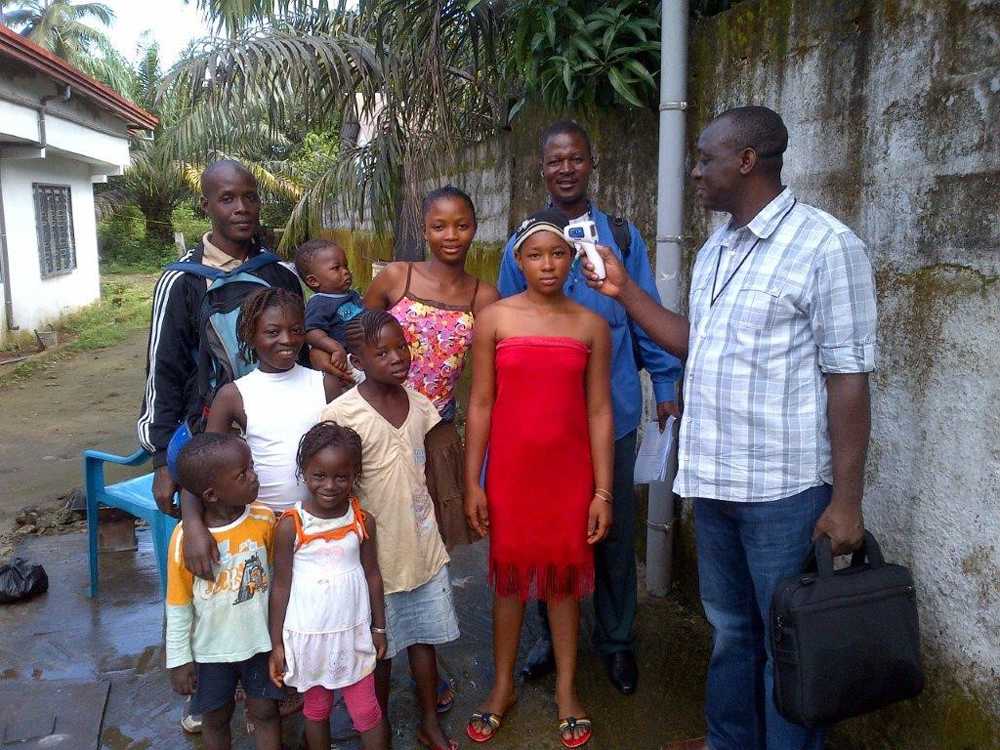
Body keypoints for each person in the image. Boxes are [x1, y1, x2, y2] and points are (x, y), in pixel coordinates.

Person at [581, 106, 877, 750]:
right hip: (713, 483)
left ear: (746, 161)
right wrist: (624, 291)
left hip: (783, 492)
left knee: (787, 643)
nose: (694, 172)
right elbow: (699, 343)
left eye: (705, 159)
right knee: (733, 634)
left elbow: (849, 378)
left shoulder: (827, 247)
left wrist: (847, 503)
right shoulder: (718, 246)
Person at [497, 120, 684, 694]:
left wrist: (666, 381)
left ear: (591, 163)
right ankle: (549, 640)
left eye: (575, 158)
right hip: (543, 421)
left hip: (614, 414)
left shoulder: (621, 237)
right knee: (545, 532)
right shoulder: (521, 243)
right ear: (542, 169)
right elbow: (508, 325)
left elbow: (643, 309)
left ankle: (617, 640)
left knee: (613, 532)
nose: (566, 168)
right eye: (555, 160)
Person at [464, 210, 614, 749]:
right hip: (511, 473)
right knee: (509, 581)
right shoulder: (494, 319)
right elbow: (481, 403)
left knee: (564, 582)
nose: (547, 264)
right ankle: (502, 686)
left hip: (569, 476)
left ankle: (568, 689)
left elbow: (600, 411)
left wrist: (603, 491)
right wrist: (473, 481)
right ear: (518, 261)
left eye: (556, 254)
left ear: (572, 259)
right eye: (534, 255)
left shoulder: (592, 325)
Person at [321, 310, 460, 750]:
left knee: (425, 642)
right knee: (377, 652)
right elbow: (330, 487)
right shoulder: (342, 415)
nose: (398, 357)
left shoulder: (420, 405)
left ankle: (429, 722)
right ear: (358, 360)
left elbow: (429, 472)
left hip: (422, 549)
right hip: (373, 559)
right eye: (382, 353)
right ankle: (375, 732)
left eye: (401, 347)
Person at [137, 160, 305, 519]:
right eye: (227, 199)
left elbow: (301, 356)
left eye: (250, 197)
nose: (242, 208)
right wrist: (163, 460)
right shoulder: (182, 281)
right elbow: (164, 371)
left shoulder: (280, 274)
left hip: (281, 429)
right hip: (213, 437)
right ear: (206, 205)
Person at [365, 185, 500, 551]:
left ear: (475, 228)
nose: (451, 235)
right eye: (439, 226)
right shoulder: (397, 277)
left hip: (435, 427)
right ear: (425, 231)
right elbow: (360, 336)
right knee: (380, 528)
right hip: (381, 421)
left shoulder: (484, 297)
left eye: (462, 225)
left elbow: (486, 382)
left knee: (433, 534)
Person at [179, 288, 346, 580]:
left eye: (296, 330)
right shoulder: (234, 395)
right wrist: (192, 526)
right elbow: (202, 466)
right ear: (250, 336)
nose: (287, 339)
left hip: (322, 523)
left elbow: (348, 455)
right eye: (273, 332)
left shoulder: (325, 385)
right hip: (263, 527)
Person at [267, 421, 390, 750]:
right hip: (308, 638)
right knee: (316, 710)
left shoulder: (361, 520)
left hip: (353, 634)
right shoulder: (291, 526)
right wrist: (276, 643)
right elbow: (280, 587)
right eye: (319, 475)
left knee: (366, 711)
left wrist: (379, 628)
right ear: (303, 473)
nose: (330, 485)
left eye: (341, 477)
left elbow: (373, 574)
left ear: (354, 476)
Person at [165, 432, 285, 750]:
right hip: (210, 651)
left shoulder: (263, 519)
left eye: (251, 466)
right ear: (212, 494)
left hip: (259, 644)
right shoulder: (184, 540)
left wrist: (282, 638)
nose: (254, 476)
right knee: (215, 719)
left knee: (266, 712)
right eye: (242, 474)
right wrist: (178, 660)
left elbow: (278, 579)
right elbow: (178, 604)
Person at [296, 239, 365, 381]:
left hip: (364, 353)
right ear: (313, 281)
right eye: (336, 268)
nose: (346, 272)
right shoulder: (319, 303)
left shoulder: (352, 295)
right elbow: (311, 332)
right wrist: (335, 348)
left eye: (345, 266)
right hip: (346, 359)